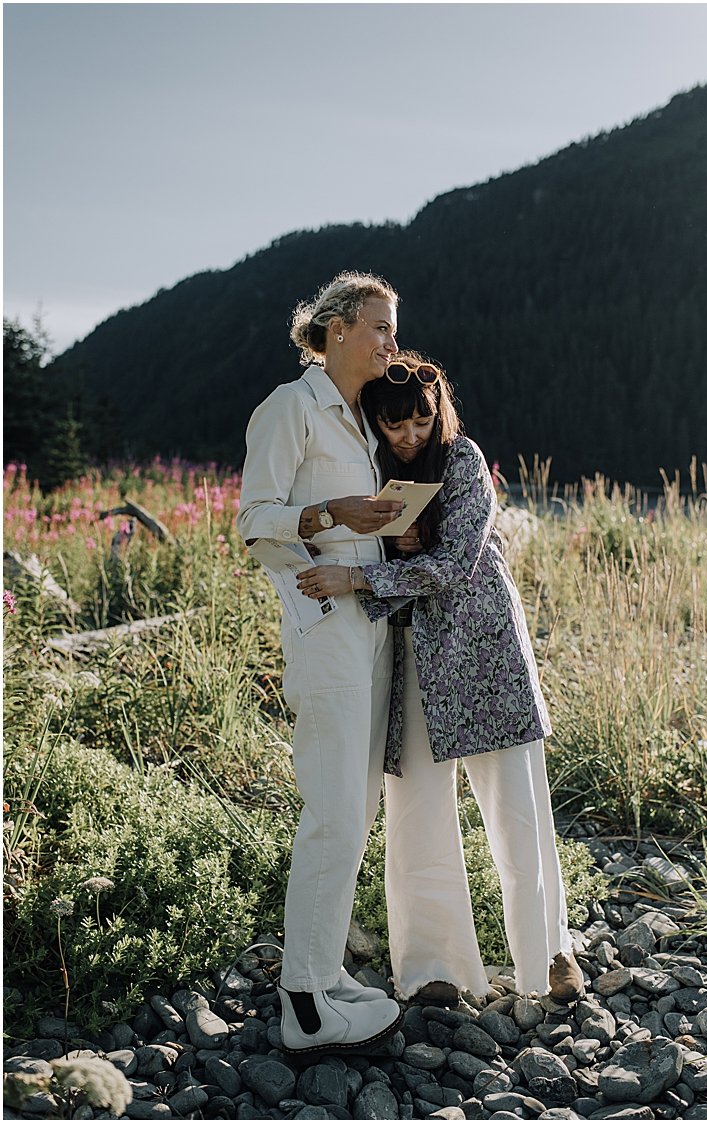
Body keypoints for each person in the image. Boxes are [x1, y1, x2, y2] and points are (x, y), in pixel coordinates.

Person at [295, 353, 586, 1004]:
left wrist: (363, 575)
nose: (409, 435)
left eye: (420, 421)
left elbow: (455, 561)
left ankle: (550, 954)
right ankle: (433, 966)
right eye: (394, 424)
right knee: (418, 810)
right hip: (413, 651)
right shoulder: (370, 469)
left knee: (517, 809)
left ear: (438, 411)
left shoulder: (463, 460)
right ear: (376, 420)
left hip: (485, 650)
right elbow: (347, 538)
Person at [237, 272, 406, 1055]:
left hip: (372, 624)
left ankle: (326, 970)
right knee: (333, 812)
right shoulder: (290, 407)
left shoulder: (364, 419)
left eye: (393, 329)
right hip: (324, 627)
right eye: (380, 326)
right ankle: (302, 1004)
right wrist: (333, 512)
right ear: (336, 328)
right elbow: (253, 520)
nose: (391, 343)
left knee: (356, 812)